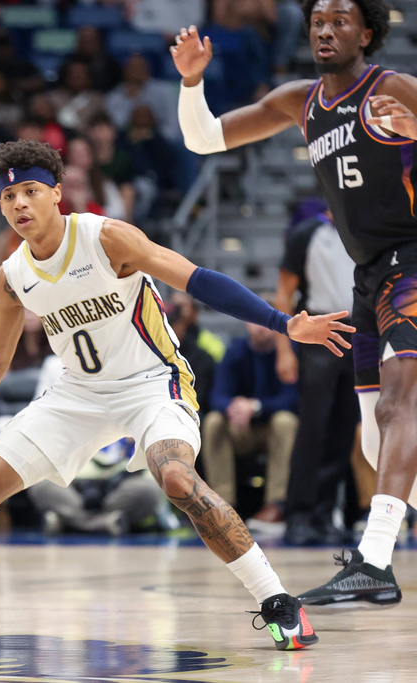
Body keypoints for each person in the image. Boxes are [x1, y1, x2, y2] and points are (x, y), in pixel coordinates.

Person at [0, 141, 353, 652]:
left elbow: (199, 280)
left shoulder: (105, 238)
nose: (20, 204)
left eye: (32, 191)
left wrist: (284, 324)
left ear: (57, 194)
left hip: (153, 382)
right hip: (77, 395)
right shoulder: (11, 278)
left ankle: (279, 602)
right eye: (10, 195)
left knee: (177, 478)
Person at [171, 0, 417, 607]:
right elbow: (204, 139)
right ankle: (379, 552)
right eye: (317, 21)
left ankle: (375, 562)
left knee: (401, 402)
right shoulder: (299, 101)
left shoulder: (396, 87)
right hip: (370, 274)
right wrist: (192, 81)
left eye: (340, 20)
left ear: (368, 31)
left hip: (413, 257)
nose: (326, 30)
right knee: (371, 439)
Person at [275, 211, 360, 545]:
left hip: (358, 338)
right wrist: (284, 351)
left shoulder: (364, 230)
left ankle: (325, 513)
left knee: (343, 429)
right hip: (317, 340)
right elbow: (284, 295)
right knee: (312, 429)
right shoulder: (307, 235)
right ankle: (298, 514)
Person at [201, 316, 300, 530]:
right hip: (241, 429)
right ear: (246, 323)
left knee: (285, 421)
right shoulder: (236, 350)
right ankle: (222, 504)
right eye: (256, 321)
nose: (261, 328)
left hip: (272, 430)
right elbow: (217, 396)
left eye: (267, 322)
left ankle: (276, 506)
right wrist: (234, 406)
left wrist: (255, 406)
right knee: (213, 421)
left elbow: (293, 399)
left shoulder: (287, 352)